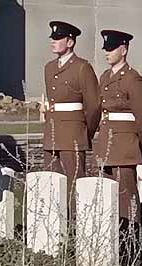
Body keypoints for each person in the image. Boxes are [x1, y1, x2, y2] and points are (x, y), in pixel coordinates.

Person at [94, 29, 142, 265]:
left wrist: (137, 146)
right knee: (107, 199)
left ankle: (131, 248)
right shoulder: (105, 77)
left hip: (125, 148)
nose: (107, 52)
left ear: (124, 49)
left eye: (111, 48)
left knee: (126, 200)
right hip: (107, 146)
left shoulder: (132, 79)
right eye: (106, 48)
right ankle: (113, 246)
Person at [41, 20, 101, 180]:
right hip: (52, 134)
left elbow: (94, 106)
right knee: (51, 183)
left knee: (73, 183)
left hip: (73, 134)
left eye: (58, 38)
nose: (53, 41)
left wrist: (83, 132)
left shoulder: (82, 67)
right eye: (52, 38)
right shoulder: (49, 68)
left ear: (70, 41)